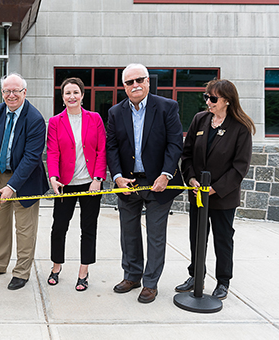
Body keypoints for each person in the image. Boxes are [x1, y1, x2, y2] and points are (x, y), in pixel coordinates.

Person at [106, 63, 184, 303]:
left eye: (139, 80)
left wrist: (166, 174)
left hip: (158, 183)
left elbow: (175, 144)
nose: (135, 85)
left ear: (148, 81)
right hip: (128, 183)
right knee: (128, 234)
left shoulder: (167, 107)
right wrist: (117, 176)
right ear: (124, 86)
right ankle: (131, 276)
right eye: (129, 82)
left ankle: (150, 283)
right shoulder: (115, 112)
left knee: (155, 236)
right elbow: (112, 147)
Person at [175, 79, 255, 300]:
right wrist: (191, 178)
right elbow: (187, 154)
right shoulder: (200, 120)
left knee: (223, 238)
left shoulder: (240, 128)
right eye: (206, 97)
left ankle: (223, 281)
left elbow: (240, 167)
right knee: (197, 237)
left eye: (213, 98)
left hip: (222, 197)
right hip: (198, 194)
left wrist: (215, 189)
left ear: (227, 101)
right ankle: (196, 275)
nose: (208, 102)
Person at [0, 73, 49, 290]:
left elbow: (31, 158)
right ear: (2, 93)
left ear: (24, 92)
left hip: (25, 180)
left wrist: (12, 187)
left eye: (15, 91)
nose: (11, 95)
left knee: (25, 229)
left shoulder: (35, 119)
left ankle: (21, 272)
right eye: (6, 91)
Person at [46, 77, 107, 291]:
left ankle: (83, 271)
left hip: (90, 183)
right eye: (67, 93)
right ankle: (56, 266)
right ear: (62, 98)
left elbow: (101, 150)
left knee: (88, 228)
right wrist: (53, 177)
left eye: (75, 92)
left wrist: (97, 179)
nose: (72, 97)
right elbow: (52, 152)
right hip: (65, 183)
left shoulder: (95, 118)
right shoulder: (55, 122)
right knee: (59, 227)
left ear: (82, 95)